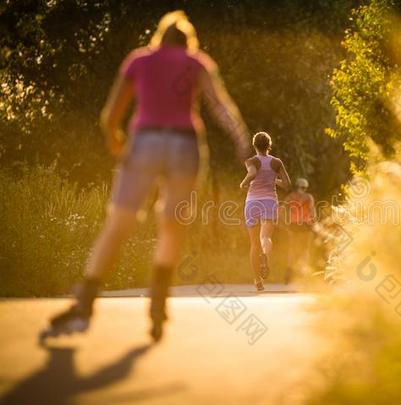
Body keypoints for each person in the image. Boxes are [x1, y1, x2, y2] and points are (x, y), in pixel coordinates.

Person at [40, 11, 250, 343]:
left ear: (159, 38)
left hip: (145, 142)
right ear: (188, 42)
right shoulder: (198, 64)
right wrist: (242, 140)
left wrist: (115, 140)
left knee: (119, 222)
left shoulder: (139, 61)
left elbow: (111, 114)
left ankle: (84, 303)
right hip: (185, 145)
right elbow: (221, 106)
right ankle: (157, 305)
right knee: (171, 225)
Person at [240, 132, 291, 291]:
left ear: (254, 145)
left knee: (254, 243)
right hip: (269, 201)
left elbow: (253, 173)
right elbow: (287, 184)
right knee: (265, 237)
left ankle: (257, 281)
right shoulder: (276, 162)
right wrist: (273, 179)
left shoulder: (251, 161)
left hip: (252, 202)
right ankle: (266, 257)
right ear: (269, 145)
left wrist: (244, 183)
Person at [283, 178, 316, 283]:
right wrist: (314, 224)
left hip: (293, 225)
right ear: (305, 187)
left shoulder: (290, 197)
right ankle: (303, 273)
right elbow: (312, 212)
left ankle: (289, 271)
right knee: (305, 250)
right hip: (305, 225)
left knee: (292, 249)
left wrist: (286, 222)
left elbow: (283, 209)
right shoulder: (308, 197)